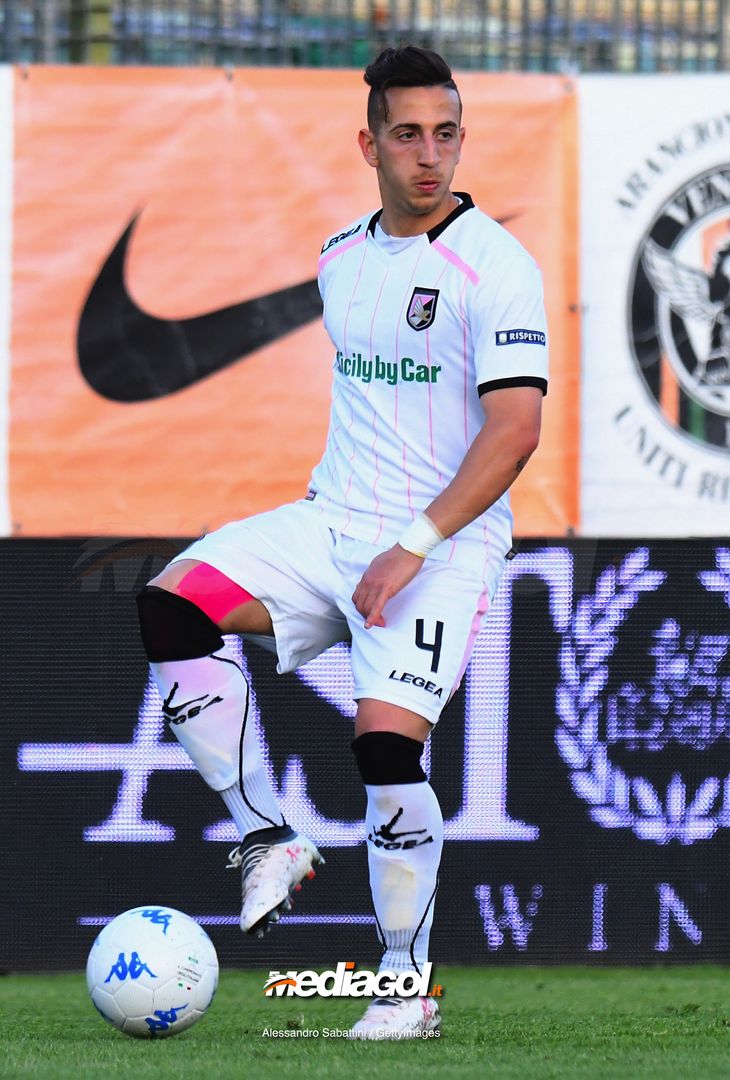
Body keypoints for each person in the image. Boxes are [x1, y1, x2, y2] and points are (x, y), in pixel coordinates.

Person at [136, 44, 547, 1039]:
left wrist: (411, 543)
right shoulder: (340, 260)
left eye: (446, 134)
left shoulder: (496, 266)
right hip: (330, 522)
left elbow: (515, 431)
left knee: (382, 749)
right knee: (170, 602)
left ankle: (404, 988)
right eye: (407, 134)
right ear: (368, 143)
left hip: (437, 548)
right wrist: (362, 534)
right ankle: (269, 836)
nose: (429, 154)